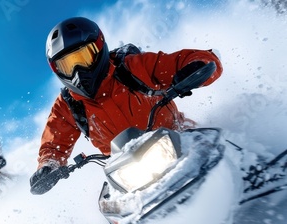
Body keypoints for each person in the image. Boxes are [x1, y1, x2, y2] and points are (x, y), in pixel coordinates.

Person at [30, 17, 223, 193]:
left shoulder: (134, 67)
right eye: (68, 65)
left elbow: (193, 60)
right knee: (111, 208)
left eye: (83, 58)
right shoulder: (68, 105)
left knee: (220, 152)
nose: (78, 72)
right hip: (127, 170)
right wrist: (49, 166)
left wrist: (195, 67)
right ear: (56, 70)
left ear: (99, 48)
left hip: (179, 140)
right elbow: (54, 143)